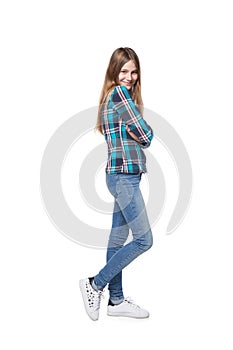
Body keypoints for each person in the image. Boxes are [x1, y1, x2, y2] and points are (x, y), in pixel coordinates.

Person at [79, 47, 154, 321]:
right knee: (144, 240)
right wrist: (141, 132)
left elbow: (136, 133)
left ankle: (116, 300)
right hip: (123, 177)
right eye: (124, 71)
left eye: (134, 72)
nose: (130, 77)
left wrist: (136, 130)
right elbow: (147, 136)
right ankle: (95, 284)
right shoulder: (121, 95)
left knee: (118, 240)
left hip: (120, 175)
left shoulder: (112, 97)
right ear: (114, 71)